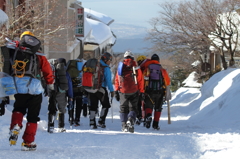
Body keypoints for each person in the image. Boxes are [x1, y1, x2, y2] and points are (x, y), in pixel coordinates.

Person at [8, 31, 54, 151]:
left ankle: (16, 125)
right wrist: (49, 84)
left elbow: (7, 67)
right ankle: (28, 143)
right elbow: (47, 70)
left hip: (18, 84)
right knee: (33, 115)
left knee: (19, 108)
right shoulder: (37, 52)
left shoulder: (15, 50)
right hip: (34, 86)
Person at [114, 50, 144, 133]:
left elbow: (117, 80)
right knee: (133, 108)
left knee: (123, 108)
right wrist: (141, 91)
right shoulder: (136, 66)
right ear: (132, 58)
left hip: (123, 90)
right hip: (134, 90)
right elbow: (140, 80)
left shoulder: (121, 66)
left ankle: (124, 126)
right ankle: (130, 120)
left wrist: (116, 90)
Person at [143, 54, 170, 130]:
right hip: (160, 92)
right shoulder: (162, 70)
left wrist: (143, 91)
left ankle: (148, 116)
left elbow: (143, 80)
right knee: (158, 108)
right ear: (158, 60)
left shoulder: (147, 69)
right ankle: (155, 125)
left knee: (149, 106)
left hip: (149, 92)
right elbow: (167, 82)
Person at [88, 52, 114, 129]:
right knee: (106, 105)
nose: (110, 62)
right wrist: (112, 91)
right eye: (110, 60)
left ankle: (92, 122)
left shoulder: (95, 66)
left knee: (93, 106)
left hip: (91, 88)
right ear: (106, 60)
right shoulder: (105, 68)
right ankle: (101, 121)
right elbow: (108, 81)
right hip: (101, 89)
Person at [47, 58, 73, 133]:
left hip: (52, 91)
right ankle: (61, 127)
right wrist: (70, 96)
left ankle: (51, 126)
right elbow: (69, 85)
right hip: (62, 91)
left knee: (51, 108)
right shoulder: (66, 73)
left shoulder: (52, 70)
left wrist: (47, 92)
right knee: (61, 109)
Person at [135, 55, 151, 125]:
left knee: (138, 103)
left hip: (140, 88)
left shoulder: (140, 68)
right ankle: (146, 117)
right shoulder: (150, 66)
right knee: (146, 104)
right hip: (149, 88)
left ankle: (139, 117)